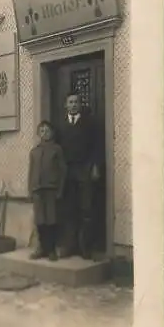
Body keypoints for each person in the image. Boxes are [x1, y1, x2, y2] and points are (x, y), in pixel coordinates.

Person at [58, 93, 101, 259]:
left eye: (76, 102)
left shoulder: (90, 123)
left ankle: (85, 247)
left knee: (86, 209)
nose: (74, 104)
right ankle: (70, 246)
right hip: (67, 172)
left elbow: (97, 146)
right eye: (70, 102)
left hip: (85, 169)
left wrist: (95, 166)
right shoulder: (61, 125)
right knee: (69, 209)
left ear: (80, 105)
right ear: (66, 105)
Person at [28, 120, 67, 262]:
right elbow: (31, 172)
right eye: (42, 131)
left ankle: (51, 250)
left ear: (52, 133)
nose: (45, 133)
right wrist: (30, 190)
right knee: (40, 221)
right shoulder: (34, 151)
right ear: (39, 134)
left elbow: (63, 171)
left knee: (51, 220)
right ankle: (41, 248)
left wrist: (60, 190)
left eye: (48, 130)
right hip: (37, 190)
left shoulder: (57, 149)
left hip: (51, 189)